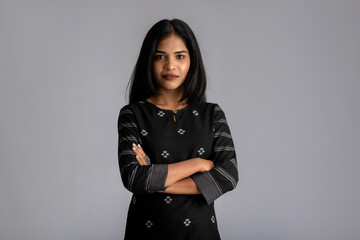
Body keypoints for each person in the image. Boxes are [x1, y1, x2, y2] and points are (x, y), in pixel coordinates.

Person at [117, 18, 238, 240]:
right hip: (146, 232)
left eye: (179, 56)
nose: (170, 65)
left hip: (202, 233)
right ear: (148, 61)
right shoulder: (132, 114)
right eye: (160, 56)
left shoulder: (212, 114)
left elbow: (227, 177)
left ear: (192, 60)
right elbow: (134, 177)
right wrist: (198, 164)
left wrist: (156, 181)